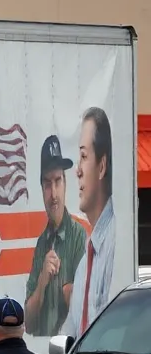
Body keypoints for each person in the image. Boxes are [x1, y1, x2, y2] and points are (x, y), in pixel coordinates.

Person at [23, 135, 86, 336]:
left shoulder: (78, 236)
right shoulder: (42, 244)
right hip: (42, 353)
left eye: (58, 181)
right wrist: (42, 283)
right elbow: (29, 323)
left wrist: (66, 288)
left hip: (70, 353)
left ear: (65, 184)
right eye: (48, 184)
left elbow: (85, 311)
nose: (54, 194)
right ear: (42, 189)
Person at [62, 106, 116, 338]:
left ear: (102, 166)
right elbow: (72, 341)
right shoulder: (85, 264)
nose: (77, 171)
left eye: (84, 157)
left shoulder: (116, 241)